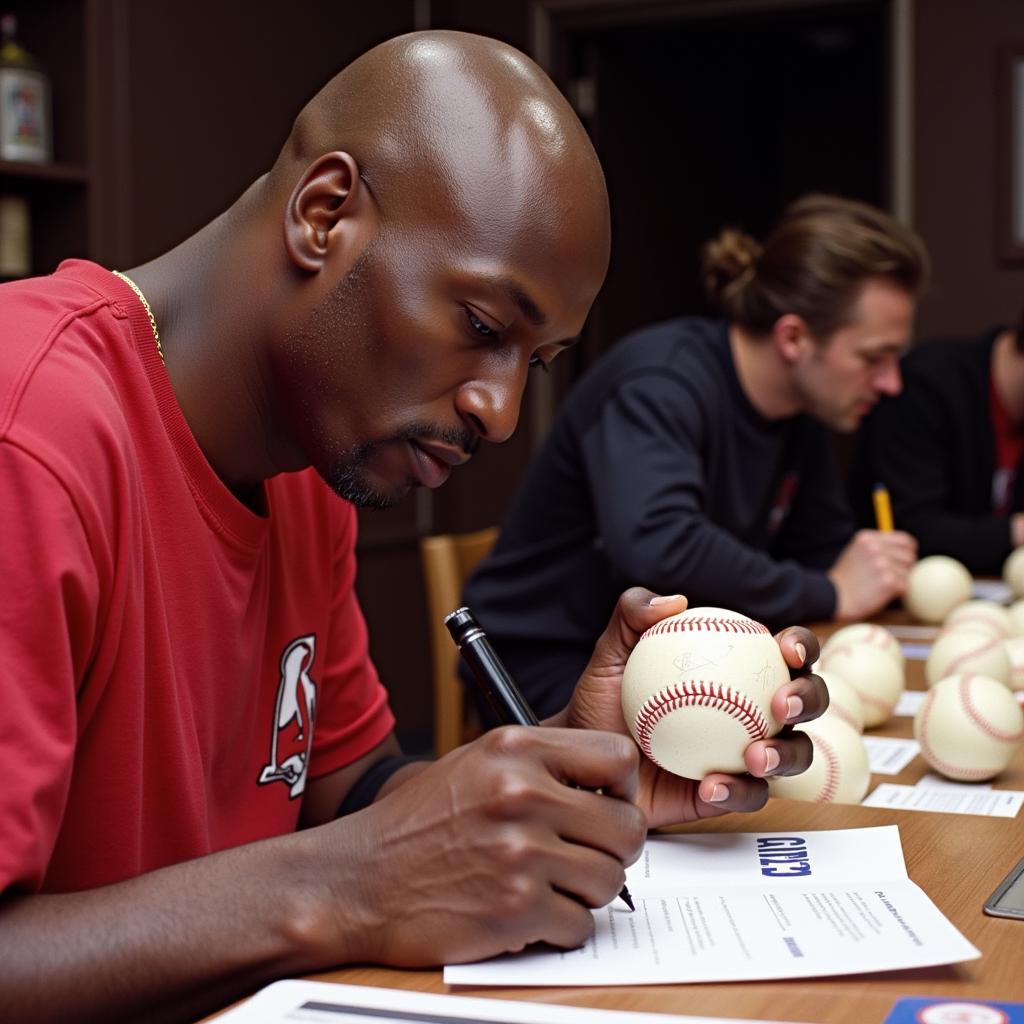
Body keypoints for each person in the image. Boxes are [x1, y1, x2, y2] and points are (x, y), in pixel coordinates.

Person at [0, 31, 826, 1024]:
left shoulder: (311, 462)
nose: (502, 412)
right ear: (326, 214)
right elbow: (351, 864)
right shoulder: (28, 433)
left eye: (538, 360)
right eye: (482, 326)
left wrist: (564, 771)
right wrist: (345, 890)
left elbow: (352, 796)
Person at [463, 194, 927, 721]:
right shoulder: (662, 384)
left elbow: (820, 548)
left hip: (680, 656)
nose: (892, 383)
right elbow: (660, 546)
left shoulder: (800, 414)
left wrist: (855, 571)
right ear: (794, 337)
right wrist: (830, 590)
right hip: (549, 658)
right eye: (874, 357)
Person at [851, 309, 1024, 575]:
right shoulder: (925, 384)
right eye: (874, 357)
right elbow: (910, 529)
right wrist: (1015, 531)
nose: (889, 381)